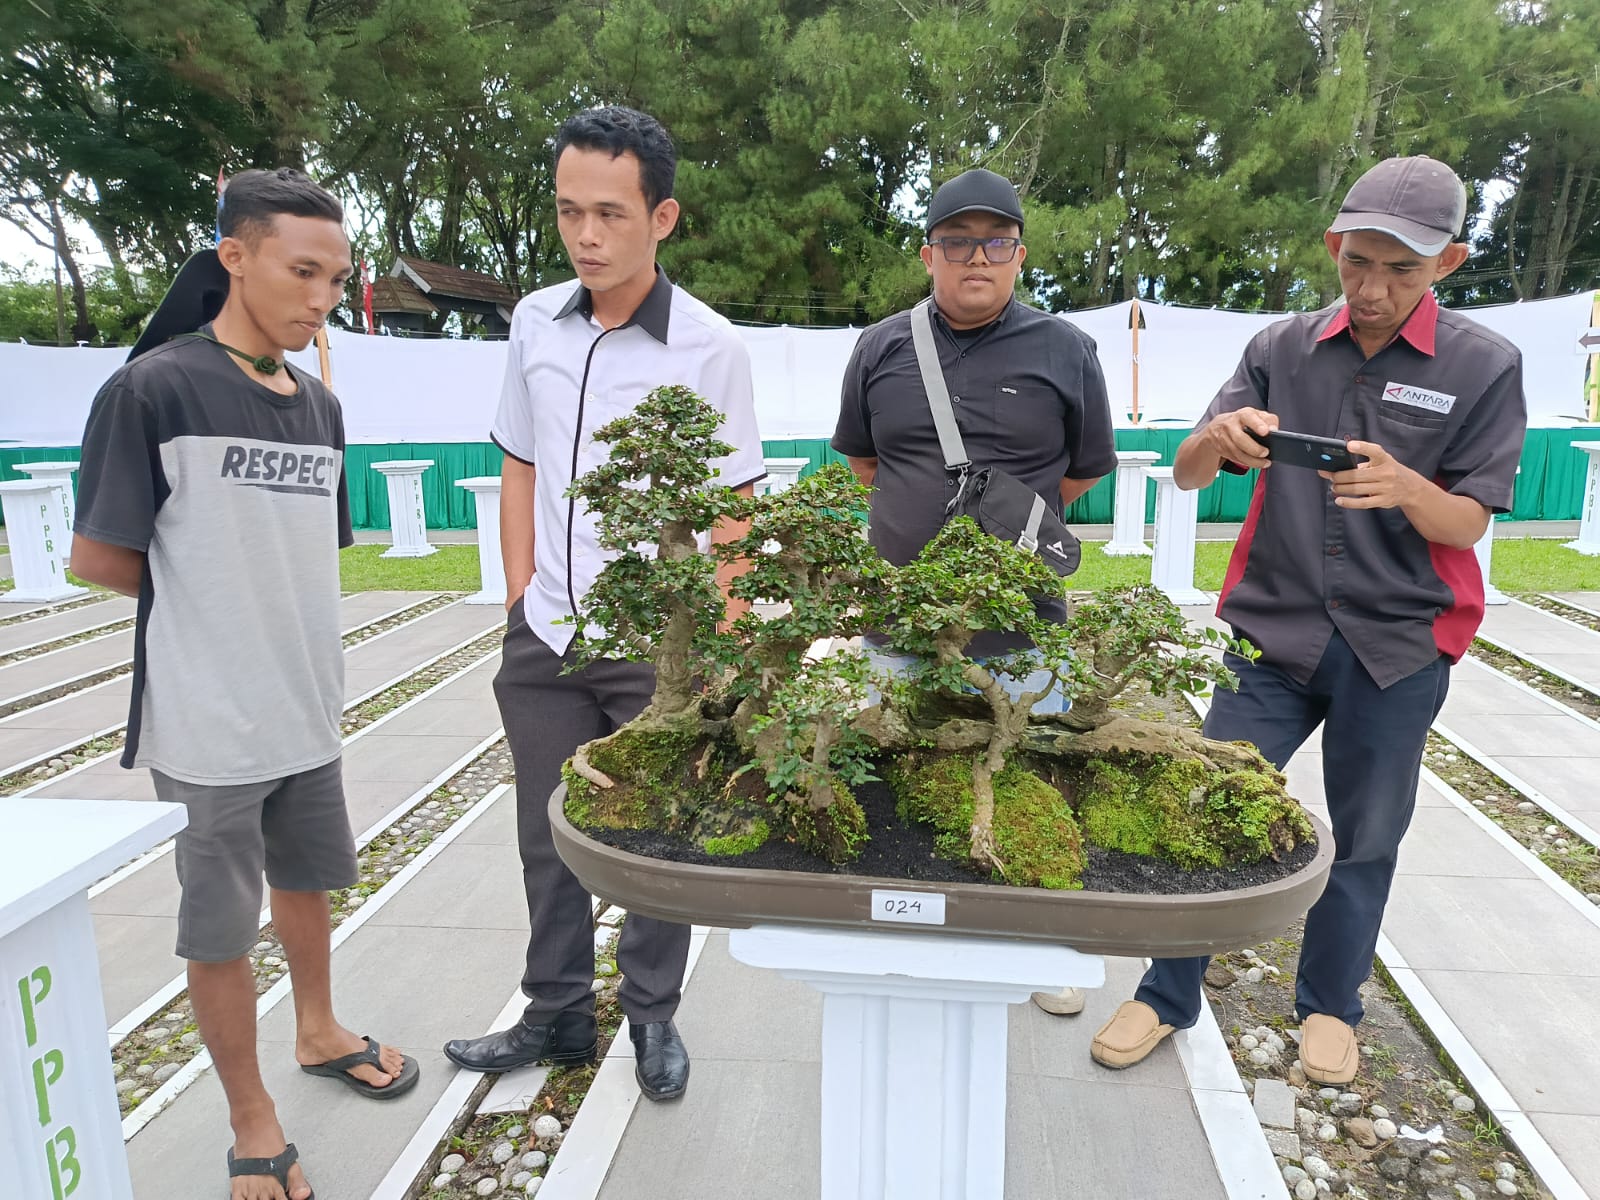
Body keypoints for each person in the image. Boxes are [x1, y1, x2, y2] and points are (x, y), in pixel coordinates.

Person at [1089, 156, 1526, 1084]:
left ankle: (1330, 1004)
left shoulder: (1485, 366)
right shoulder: (1280, 347)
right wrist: (1215, 437)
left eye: (1400, 271)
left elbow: (1471, 519)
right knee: (1207, 811)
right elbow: (1189, 475)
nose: (1371, 289)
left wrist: (1409, 488)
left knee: (1367, 834)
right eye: (1356, 263)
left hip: (1398, 647)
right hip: (1271, 637)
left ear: (1446, 264)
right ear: (1334, 247)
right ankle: (1167, 993)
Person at [71, 168, 417, 1200]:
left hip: (304, 709)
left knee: (307, 882)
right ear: (234, 256)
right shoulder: (154, 389)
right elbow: (100, 557)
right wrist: (204, 603)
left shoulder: (319, 406)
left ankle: (318, 1030)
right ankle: (251, 1114)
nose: (320, 296)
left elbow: (312, 553)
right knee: (219, 924)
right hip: (207, 721)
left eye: (334, 276)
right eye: (301, 270)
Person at [442, 106, 764, 1102]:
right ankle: (556, 1012)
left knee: (654, 835)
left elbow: (733, 510)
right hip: (544, 633)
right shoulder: (535, 321)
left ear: (661, 217)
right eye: (570, 211)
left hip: (653, 647)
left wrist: (720, 644)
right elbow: (519, 463)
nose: (586, 234)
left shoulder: (710, 349)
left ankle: (652, 1016)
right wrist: (514, 596)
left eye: (611, 214)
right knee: (548, 831)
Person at [830, 167, 1117, 1016]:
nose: (976, 258)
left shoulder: (1067, 349)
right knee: (898, 774)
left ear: (1020, 254)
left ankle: (1041, 938)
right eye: (958, 242)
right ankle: (903, 933)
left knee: (1026, 776)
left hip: (1021, 621)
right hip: (897, 618)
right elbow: (863, 464)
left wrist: (1004, 531)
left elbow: (1081, 474)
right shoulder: (879, 346)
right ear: (930, 254)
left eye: (995, 242)